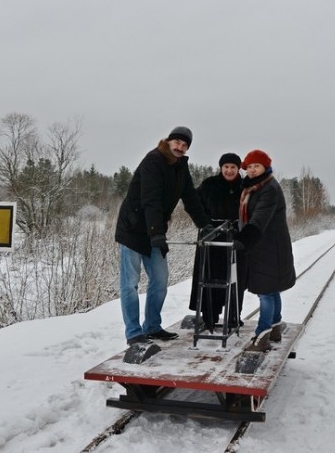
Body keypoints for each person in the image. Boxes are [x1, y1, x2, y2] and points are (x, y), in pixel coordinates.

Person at [115, 126, 211, 346]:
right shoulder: (153, 161)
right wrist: (156, 233)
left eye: (185, 145)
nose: (180, 147)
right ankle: (133, 333)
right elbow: (151, 199)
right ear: (168, 142)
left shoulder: (180, 168)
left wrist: (204, 225)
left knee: (160, 280)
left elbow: (191, 199)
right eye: (177, 142)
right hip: (133, 229)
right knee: (130, 284)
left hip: (154, 230)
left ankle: (152, 326)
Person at [233, 149, 296, 352]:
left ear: (265, 167)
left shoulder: (268, 189)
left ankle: (262, 337)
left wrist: (243, 239)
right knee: (271, 289)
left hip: (268, 247)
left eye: (256, 166)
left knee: (265, 293)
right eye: (249, 167)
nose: (252, 170)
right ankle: (275, 327)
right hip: (266, 246)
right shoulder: (255, 187)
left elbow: (259, 218)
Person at [188, 152, 246, 331]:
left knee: (235, 276)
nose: (229, 171)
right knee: (208, 275)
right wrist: (204, 224)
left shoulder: (245, 186)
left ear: (238, 169)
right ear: (221, 167)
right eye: (226, 167)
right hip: (211, 235)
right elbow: (193, 204)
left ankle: (234, 315)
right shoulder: (209, 184)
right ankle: (209, 317)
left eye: (233, 167)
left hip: (235, 236)